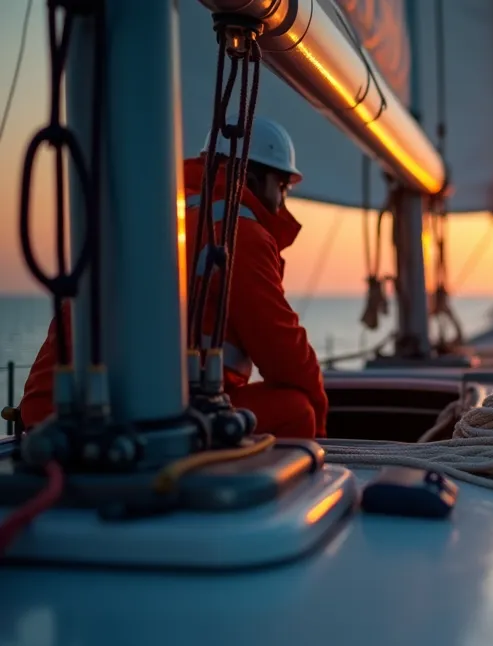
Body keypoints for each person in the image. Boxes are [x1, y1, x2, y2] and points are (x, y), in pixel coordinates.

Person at [19, 115, 328, 439]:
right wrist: (321, 431)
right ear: (250, 178)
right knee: (297, 410)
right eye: (281, 187)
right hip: (138, 426)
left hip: (49, 417)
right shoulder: (239, 235)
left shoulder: (147, 215)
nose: (282, 202)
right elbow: (285, 355)